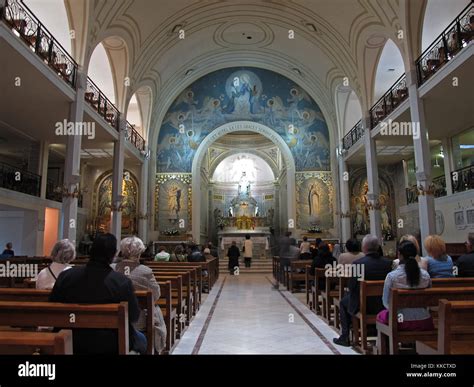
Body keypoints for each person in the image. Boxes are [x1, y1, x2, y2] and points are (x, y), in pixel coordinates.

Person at [49, 233, 146, 354]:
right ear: (114, 254)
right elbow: (134, 316)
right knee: (142, 340)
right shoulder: (121, 282)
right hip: (110, 343)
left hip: (69, 339)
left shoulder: (66, 276)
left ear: (90, 250)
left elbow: (52, 306)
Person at [333, 235, 392, 347]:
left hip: (364, 305)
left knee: (343, 302)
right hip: (385, 304)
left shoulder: (358, 264)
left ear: (364, 247)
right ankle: (373, 329)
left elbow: (352, 286)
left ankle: (345, 336)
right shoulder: (388, 263)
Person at [113, 237, 167, 353]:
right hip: (139, 320)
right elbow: (156, 295)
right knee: (156, 310)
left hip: (115, 318)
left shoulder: (113, 269)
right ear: (139, 253)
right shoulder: (145, 271)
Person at [376, 241, 434, 331]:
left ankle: (387, 345)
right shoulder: (425, 275)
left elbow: (386, 302)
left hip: (400, 320)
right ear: (416, 255)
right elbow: (429, 299)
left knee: (380, 316)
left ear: (399, 254)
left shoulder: (392, 277)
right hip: (424, 320)